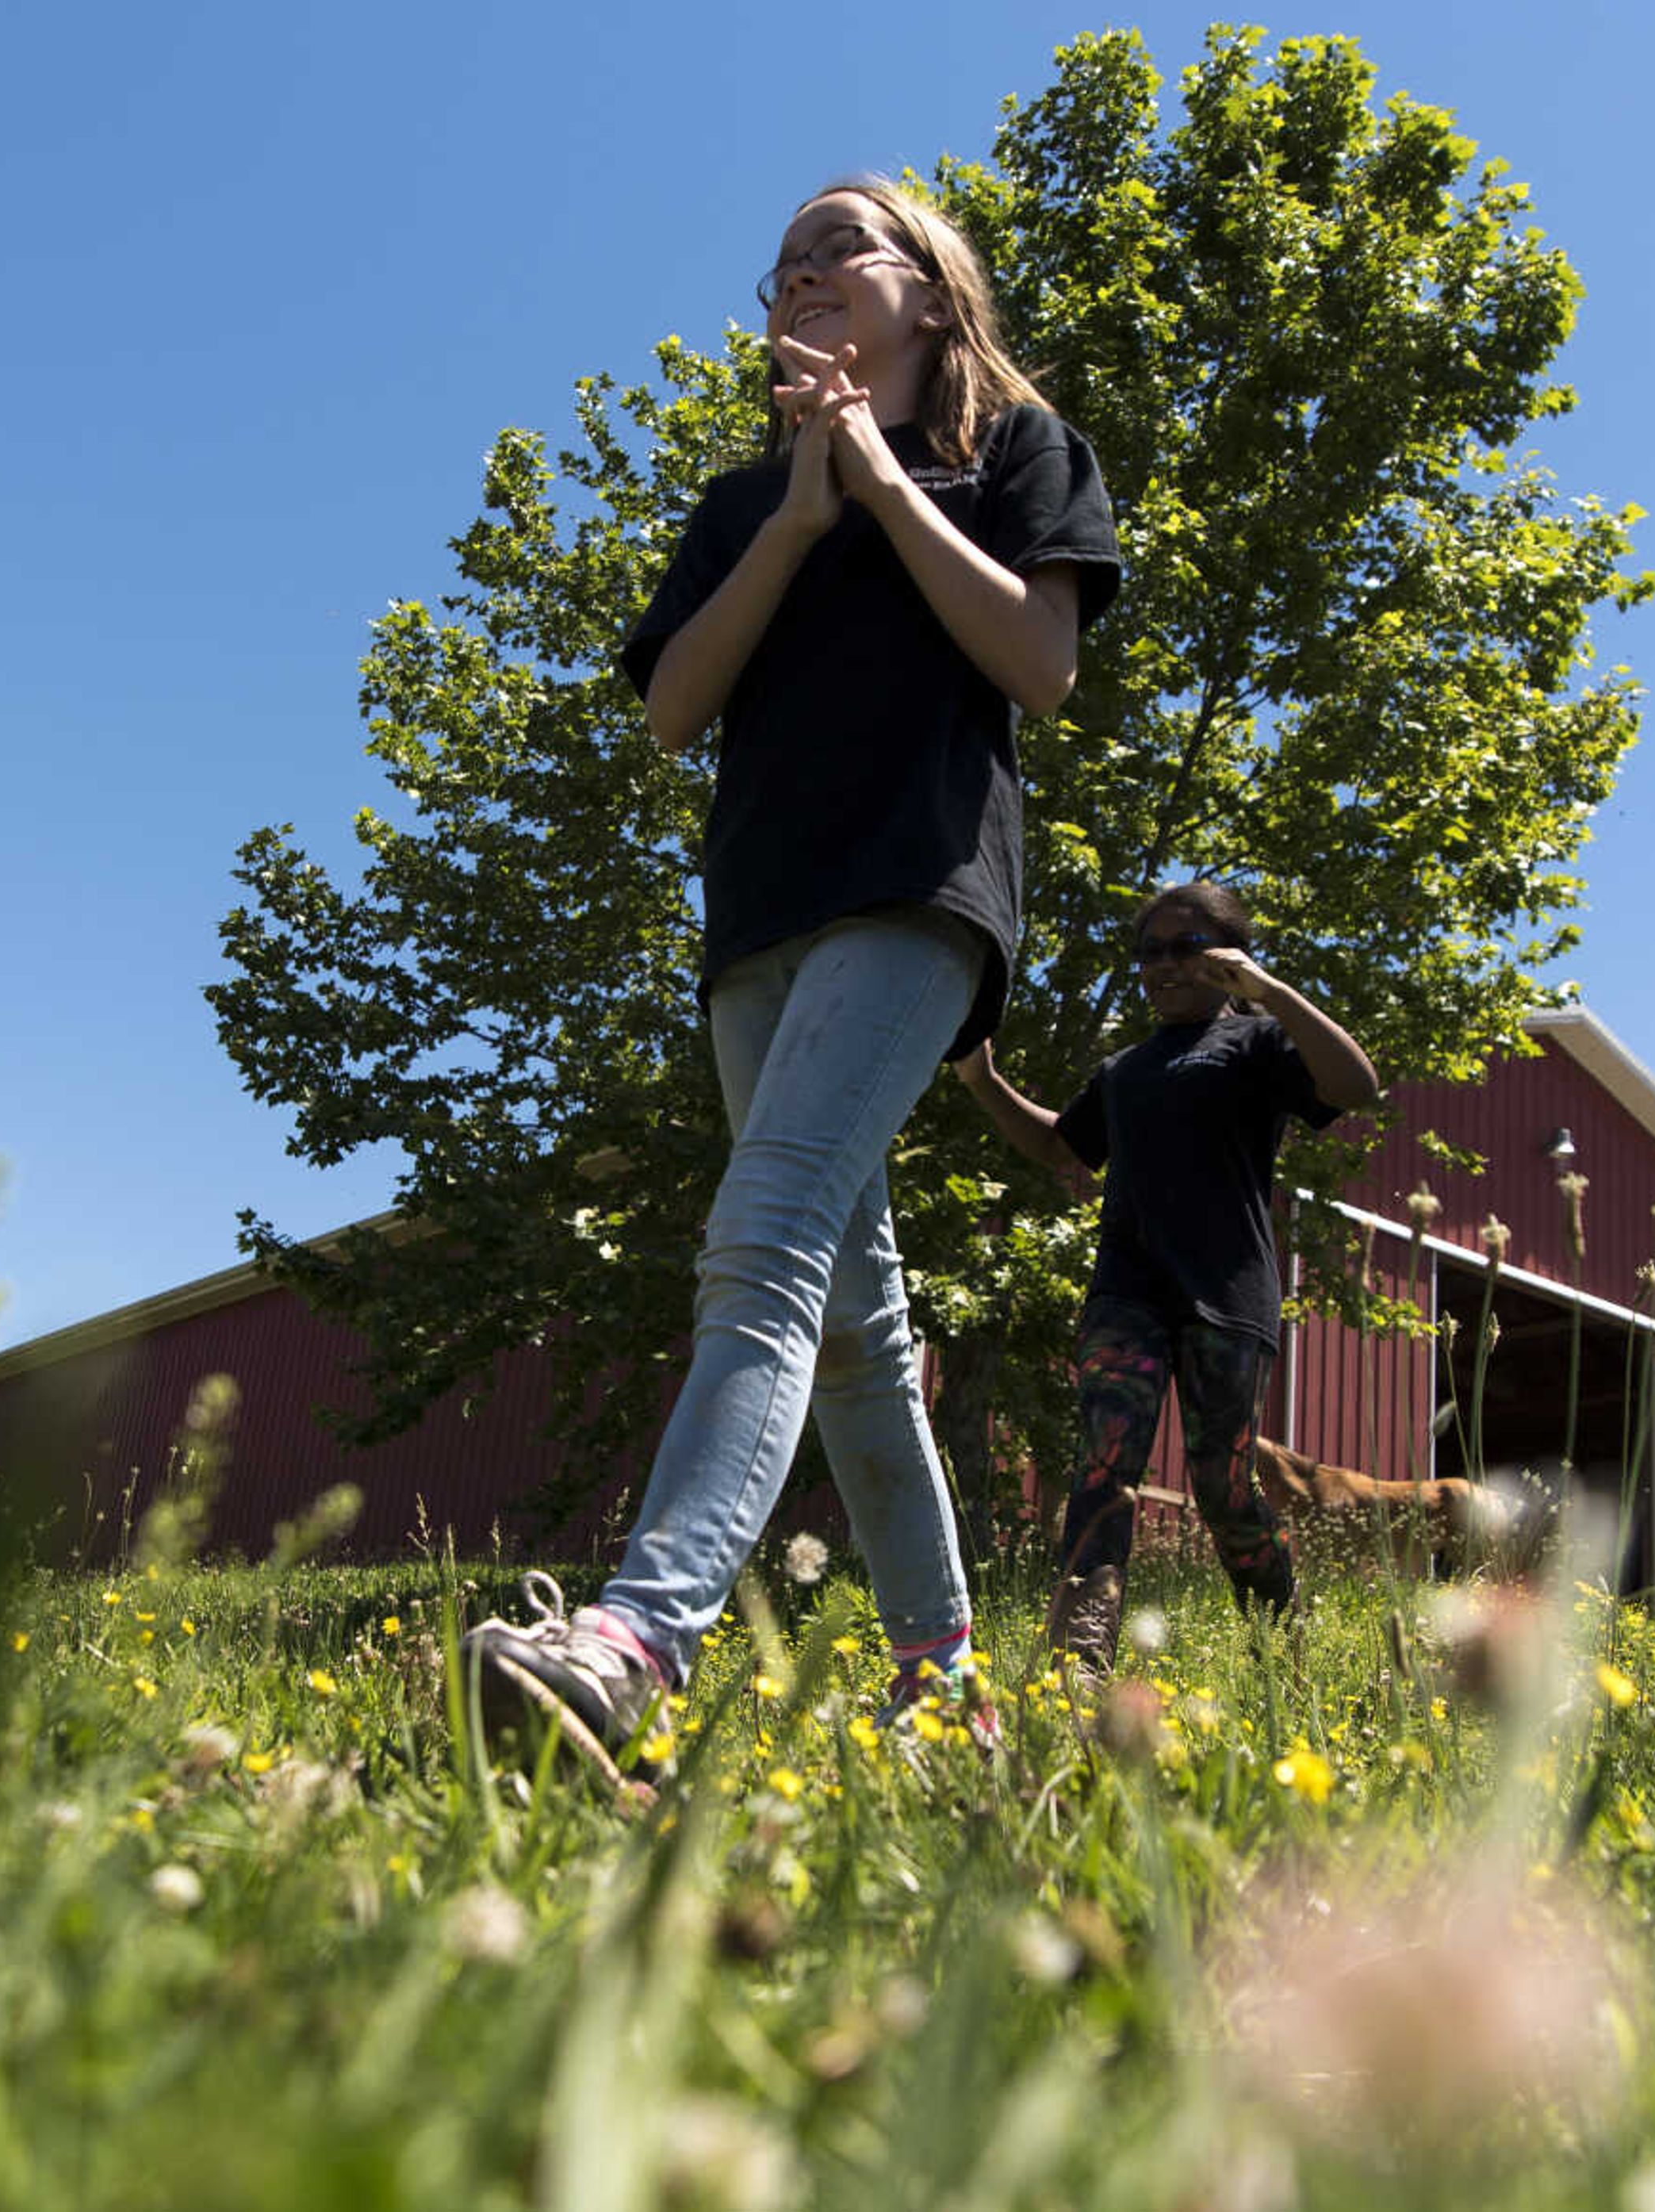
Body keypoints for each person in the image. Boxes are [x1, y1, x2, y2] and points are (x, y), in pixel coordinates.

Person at [464, 178, 1122, 1781]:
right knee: (851, 1331)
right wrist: (800, 514)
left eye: (846, 241)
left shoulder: (1017, 453)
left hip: (917, 895)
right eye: (788, 259)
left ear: (930, 290)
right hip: (759, 920)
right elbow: (672, 710)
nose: (809, 268)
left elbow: (1037, 665)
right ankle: (946, 1679)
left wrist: (886, 478)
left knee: (756, 1248)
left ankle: (636, 1641)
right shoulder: (738, 504)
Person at [948, 882, 1380, 1668]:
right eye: (1150, 949)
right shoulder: (1124, 1068)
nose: (1164, 963)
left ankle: (1281, 1650)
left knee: (1224, 1487)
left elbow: (1356, 1086)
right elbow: (1060, 1146)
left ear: (1227, 953)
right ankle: (1077, 1667)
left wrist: (1271, 993)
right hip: (1128, 1293)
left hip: (1228, 1297)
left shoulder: (1256, 1043)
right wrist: (983, 1079)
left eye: (1187, 944)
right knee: (1103, 1469)